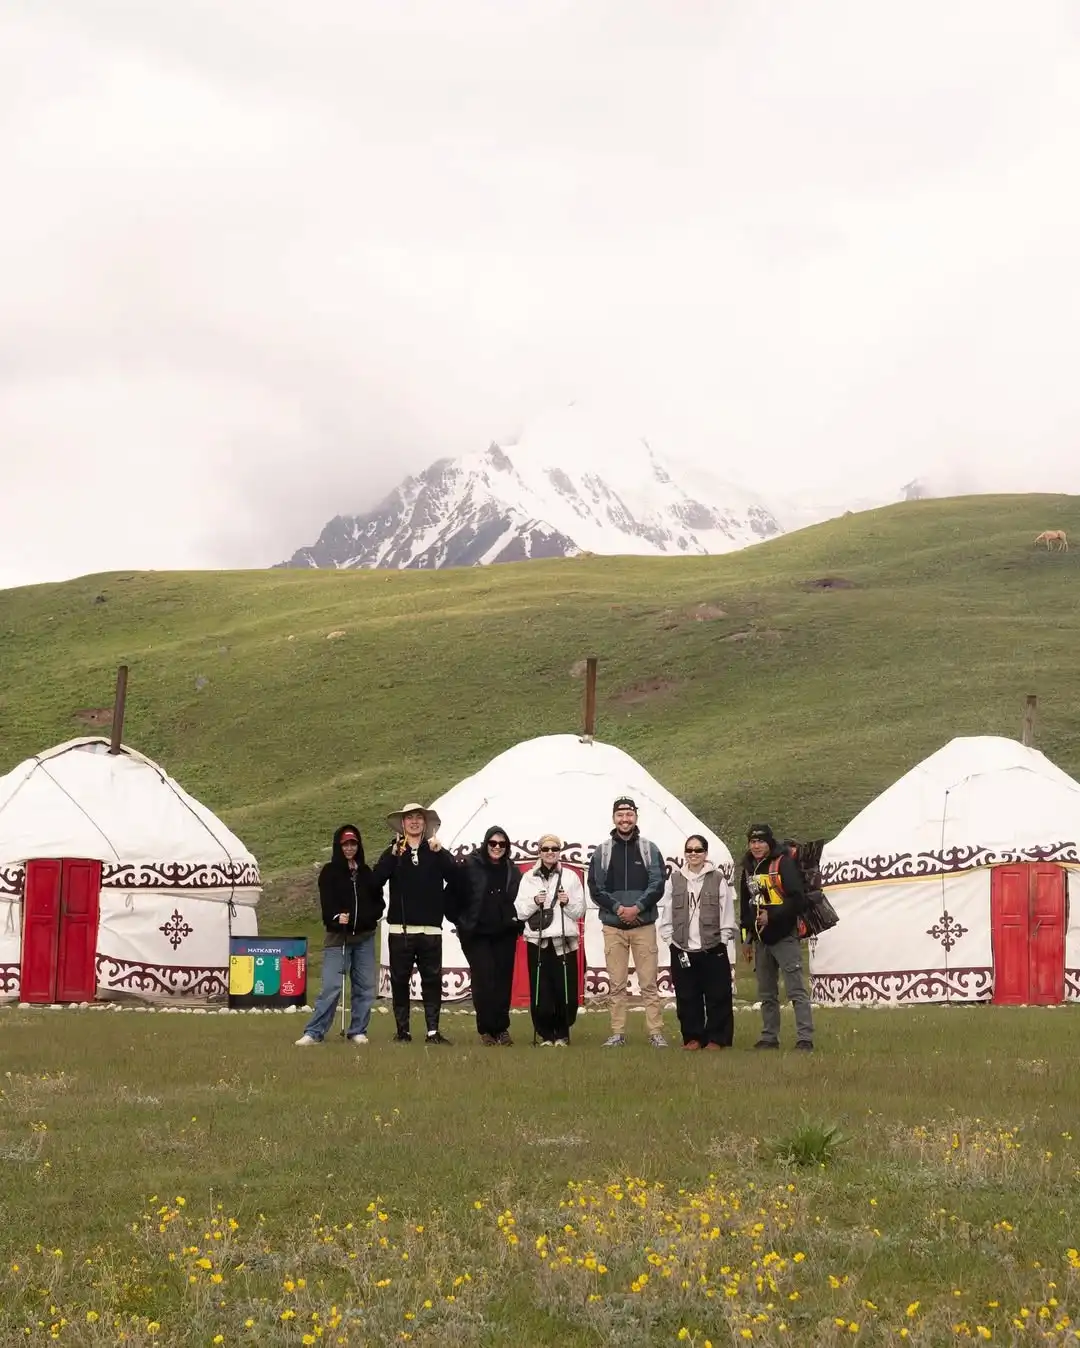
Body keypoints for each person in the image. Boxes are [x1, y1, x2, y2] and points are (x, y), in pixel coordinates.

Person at [372, 801, 461, 1045]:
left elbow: (456, 876)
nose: (414, 821)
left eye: (418, 817)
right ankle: (403, 1032)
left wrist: (440, 852)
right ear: (402, 824)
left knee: (432, 980)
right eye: (409, 817)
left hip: (431, 929)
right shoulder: (393, 852)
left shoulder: (435, 851)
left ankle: (433, 1031)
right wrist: (392, 857)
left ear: (425, 823)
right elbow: (375, 879)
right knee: (400, 981)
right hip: (401, 929)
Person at [587, 796, 668, 1048]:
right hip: (613, 925)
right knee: (616, 983)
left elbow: (658, 883)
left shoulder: (649, 849)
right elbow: (595, 887)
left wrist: (638, 908)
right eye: (620, 814)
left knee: (649, 982)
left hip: (643, 924)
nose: (625, 819)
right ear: (614, 817)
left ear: (636, 816)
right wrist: (619, 908)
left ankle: (655, 1032)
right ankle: (617, 1033)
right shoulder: (602, 851)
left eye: (629, 814)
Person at [295, 824, 383, 1046]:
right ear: (339, 846)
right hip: (338, 938)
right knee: (332, 986)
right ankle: (314, 1032)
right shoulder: (329, 872)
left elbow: (378, 902)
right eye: (345, 844)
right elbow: (327, 905)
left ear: (358, 845)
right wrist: (336, 917)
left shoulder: (366, 872)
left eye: (353, 844)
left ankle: (358, 1030)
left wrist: (367, 918)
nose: (350, 848)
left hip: (364, 937)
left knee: (364, 987)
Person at [739, 823, 814, 1052]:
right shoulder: (748, 867)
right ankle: (769, 1037)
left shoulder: (783, 863)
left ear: (769, 842)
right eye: (753, 841)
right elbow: (745, 906)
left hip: (784, 936)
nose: (757, 845)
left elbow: (797, 899)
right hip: (761, 939)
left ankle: (804, 1038)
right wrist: (746, 938)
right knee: (766, 992)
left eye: (761, 841)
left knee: (796, 990)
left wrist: (772, 916)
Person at [658, 834, 737, 1051]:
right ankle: (693, 1037)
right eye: (690, 850)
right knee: (687, 995)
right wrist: (669, 939)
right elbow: (666, 911)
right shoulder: (675, 879)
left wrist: (723, 938)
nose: (694, 854)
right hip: (682, 946)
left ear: (705, 853)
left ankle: (716, 1038)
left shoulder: (717, 878)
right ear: (685, 853)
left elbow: (727, 911)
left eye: (698, 850)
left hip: (712, 946)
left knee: (717, 994)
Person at [515, 834, 586, 1046]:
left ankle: (562, 1032)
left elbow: (579, 910)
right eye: (545, 849)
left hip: (564, 939)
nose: (550, 852)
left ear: (559, 851)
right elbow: (520, 910)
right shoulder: (529, 877)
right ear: (539, 851)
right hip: (538, 940)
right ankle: (545, 1033)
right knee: (541, 989)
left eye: (554, 848)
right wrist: (535, 901)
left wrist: (568, 901)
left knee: (565, 990)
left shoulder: (571, 877)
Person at [456, 825, 523, 1045]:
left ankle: (501, 1028)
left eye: (502, 844)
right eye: (493, 843)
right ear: (486, 844)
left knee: (503, 981)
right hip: (477, 933)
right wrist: (461, 922)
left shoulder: (512, 870)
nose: (497, 847)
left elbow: (521, 900)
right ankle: (486, 1029)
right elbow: (452, 895)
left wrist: (517, 923)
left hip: (504, 932)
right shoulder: (470, 865)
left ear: (507, 847)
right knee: (484, 980)